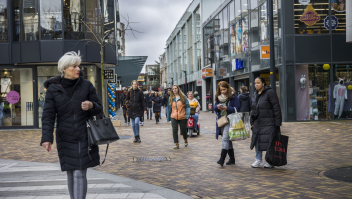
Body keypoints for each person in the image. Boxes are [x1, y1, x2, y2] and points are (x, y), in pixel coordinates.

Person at [41, 51, 103, 199]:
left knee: (79, 173)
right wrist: (46, 138)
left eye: (78, 66)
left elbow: (99, 109)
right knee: (70, 173)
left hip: (84, 135)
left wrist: (91, 105)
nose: (78, 69)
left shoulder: (86, 85)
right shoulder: (53, 89)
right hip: (65, 137)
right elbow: (48, 115)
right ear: (64, 68)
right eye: (74, 66)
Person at [250, 77, 282, 168]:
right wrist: (252, 121)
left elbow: (276, 108)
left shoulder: (270, 92)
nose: (256, 85)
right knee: (257, 141)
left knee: (269, 141)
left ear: (263, 83)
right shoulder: (255, 94)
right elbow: (253, 109)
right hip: (257, 122)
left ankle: (269, 160)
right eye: (255, 83)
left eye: (258, 83)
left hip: (269, 122)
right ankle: (258, 160)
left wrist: (277, 123)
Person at [214, 81, 240, 167]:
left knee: (225, 138)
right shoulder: (218, 97)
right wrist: (217, 107)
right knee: (227, 140)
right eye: (221, 90)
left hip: (230, 120)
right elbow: (214, 107)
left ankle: (222, 159)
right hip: (221, 121)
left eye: (224, 89)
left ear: (227, 88)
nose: (223, 91)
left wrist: (227, 108)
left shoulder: (233, 96)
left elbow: (237, 108)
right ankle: (232, 159)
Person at [167, 85, 190, 149]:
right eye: (173, 89)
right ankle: (176, 143)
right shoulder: (171, 98)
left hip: (182, 116)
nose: (174, 90)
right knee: (174, 130)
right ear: (172, 90)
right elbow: (169, 108)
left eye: (176, 88)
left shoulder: (183, 97)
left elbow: (187, 106)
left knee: (183, 130)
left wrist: (187, 115)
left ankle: (185, 139)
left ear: (178, 89)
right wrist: (168, 117)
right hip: (173, 116)